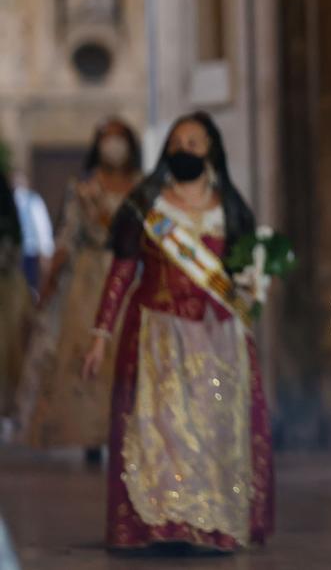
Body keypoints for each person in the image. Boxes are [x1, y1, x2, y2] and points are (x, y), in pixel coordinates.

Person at [82, 112, 273, 551]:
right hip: (156, 337)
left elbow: (242, 273)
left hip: (216, 339)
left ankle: (208, 526)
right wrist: (100, 334)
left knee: (212, 431)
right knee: (159, 431)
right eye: (177, 141)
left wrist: (254, 288)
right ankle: (158, 526)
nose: (184, 148)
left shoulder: (230, 208)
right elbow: (121, 273)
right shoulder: (146, 205)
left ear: (211, 151)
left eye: (194, 141)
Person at [15, 118, 141, 456]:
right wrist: (49, 283)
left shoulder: (143, 189)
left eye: (119, 139)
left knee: (128, 355)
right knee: (86, 354)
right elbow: (66, 240)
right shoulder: (84, 189)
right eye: (107, 139)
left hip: (130, 278)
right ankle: (91, 436)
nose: (113, 145)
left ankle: (127, 430)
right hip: (88, 281)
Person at [0, 170, 31, 436]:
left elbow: (16, 239)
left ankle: (8, 408)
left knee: (8, 347)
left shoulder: (6, 205)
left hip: (6, 285)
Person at [11, 172, 54, 298]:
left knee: (29, 285)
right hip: (14, 253)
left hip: (30, 251)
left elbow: (42, 226)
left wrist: (46, 250)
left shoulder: (33, 201)